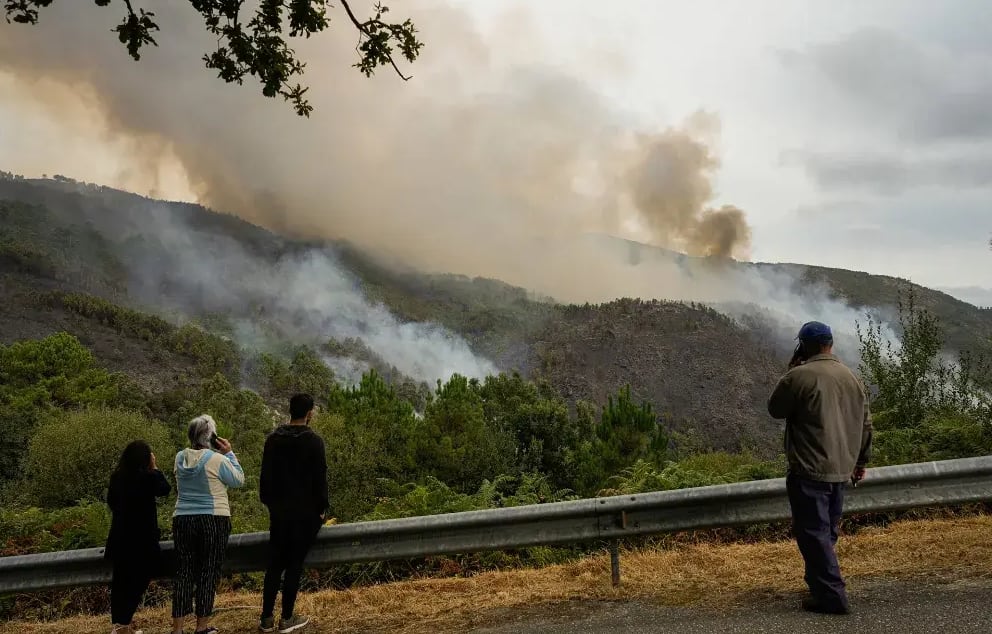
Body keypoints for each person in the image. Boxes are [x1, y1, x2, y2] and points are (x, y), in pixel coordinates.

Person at [768, 321, 873, 615]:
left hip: (810, 470)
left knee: (813, 534)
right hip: (842, 468)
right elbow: (866, 424)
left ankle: (833, 597)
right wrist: (861, 461)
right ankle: (819, 589)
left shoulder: (799, 376)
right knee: (825, 534)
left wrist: (793, 370)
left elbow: (775, 410)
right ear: (830, 344)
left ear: (803, 345)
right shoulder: (852, 377)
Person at [257, 394, 329, 633]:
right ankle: (287, 618)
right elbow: (320, 480)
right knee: (294, 564)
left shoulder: (273, 440)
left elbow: (265, 479)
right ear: (309, 413)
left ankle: (266, 618)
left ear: (290, 411)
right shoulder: (314, 442)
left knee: (274, 564)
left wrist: (270, 503)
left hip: (279, 513)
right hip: (304, 514)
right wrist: (321, 510)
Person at [171, 414, 245, 634]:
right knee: (208, 571)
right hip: (213, 519)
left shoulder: (179, 458)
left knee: (184, 571)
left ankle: (177, 630)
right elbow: (239, 480)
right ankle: (201, 627)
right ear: (212, 437)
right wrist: (229, 453)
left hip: (182, 518)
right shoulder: (217, 459)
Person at [105, 440, 171, 634]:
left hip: (119, 538)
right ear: (146, 458)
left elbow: (112, 502)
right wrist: (155, 468)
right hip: (142, 541)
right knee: (138, 582)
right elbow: (165, 489)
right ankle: (123, 626)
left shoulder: (117, 477)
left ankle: (120, 626)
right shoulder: (147, 478)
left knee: (121, 583)